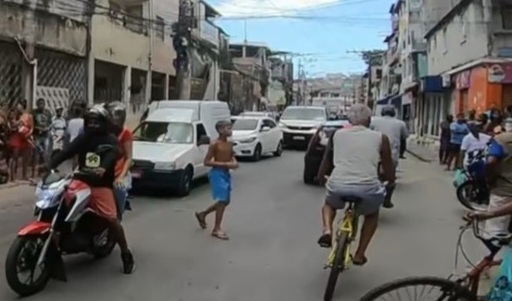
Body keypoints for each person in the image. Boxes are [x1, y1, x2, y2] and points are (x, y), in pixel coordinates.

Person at [48, 104, 135, 274]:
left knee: (112, 220)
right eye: (91, 121)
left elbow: (112, 154)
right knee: (58, 205)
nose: (93, 124)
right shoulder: (84, 137)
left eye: (97, 121)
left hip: (101, 185)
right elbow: (67, 151)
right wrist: (50, 164)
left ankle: (126, 253)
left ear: (104, 122)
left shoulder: (110, 140)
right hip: (80, 180)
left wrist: (103, 167)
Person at [316, 104, 395, 265]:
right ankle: (360, 254)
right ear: (369, 120)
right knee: (372, 214)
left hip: (338, 184)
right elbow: (388, 166)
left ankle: (327, 229)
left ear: (349, 120)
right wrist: (391, 180)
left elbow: (327, 159)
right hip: (368, 187)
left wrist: (321, 177)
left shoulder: (337, 134)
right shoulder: (380, 138)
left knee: (329, 204)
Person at [195, 120, 239, 240]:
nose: (230, 130)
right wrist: (224, 164)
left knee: (225, 201)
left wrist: (234, 163)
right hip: (217, 174)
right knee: (223, 200)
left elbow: (232, 158)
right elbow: (207, 161)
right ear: (220, 130)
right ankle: (216, 228)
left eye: (231, 128)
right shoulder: (214, 144)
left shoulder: (230, 144)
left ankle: (202, 214)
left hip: (225, 173)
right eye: (227, 128)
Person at [469, 129, 512, 239]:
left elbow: (491, 161)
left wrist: (490, 179)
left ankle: (490, 255)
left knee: (494, 233)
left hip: (503, 190)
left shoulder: (502, 139)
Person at [370, 105, 408, 208]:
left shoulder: (374, 121)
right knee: (391, 178)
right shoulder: (400, 123)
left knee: (371, 174)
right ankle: (387, 199)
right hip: (392, 154)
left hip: (374, 152)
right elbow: (404, 138)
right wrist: (402, 153)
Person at [105, 101, 132, 220]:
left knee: (118, 187)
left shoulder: (125, 133)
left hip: (119, 172)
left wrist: (121, 176)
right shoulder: (102, 133)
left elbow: (129, 157)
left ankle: (118, 216)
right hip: (103, 171)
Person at [459, 122, 491, 204]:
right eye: (474, 127)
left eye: (478, 127)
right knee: (473, 179)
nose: (477, 129)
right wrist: (460, 164)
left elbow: (493, 139)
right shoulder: (467, 138)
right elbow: (462, 152)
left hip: (482, 160)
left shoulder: (484, 137)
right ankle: (469, 197)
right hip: (470, 160)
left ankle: (484, 195)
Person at [8, 101, 33, 181]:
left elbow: (32, 127)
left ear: (23, 107)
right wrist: (17, 122)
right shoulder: (14, 116)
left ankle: (24, 175)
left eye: (20, 107)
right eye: (17, 107)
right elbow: (12, 125)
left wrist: (29, 133)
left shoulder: (28, 116)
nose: (18, 109)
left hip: (26, 136)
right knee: (14, 156)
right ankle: (12, 177)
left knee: (25, 157)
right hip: (17, 136)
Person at [33, 98, 53, 169]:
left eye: (42, 104)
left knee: (46, 152)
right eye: (39, 104)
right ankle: (36, 169)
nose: (41, 105)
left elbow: (51, 123)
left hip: (46, 135)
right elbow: (32, 124)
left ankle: (45, 169)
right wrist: (38, 128)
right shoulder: (34, 112)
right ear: (37, 105)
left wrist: (47, 128)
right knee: (37, 153)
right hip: (37, 135)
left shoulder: (48, 112)